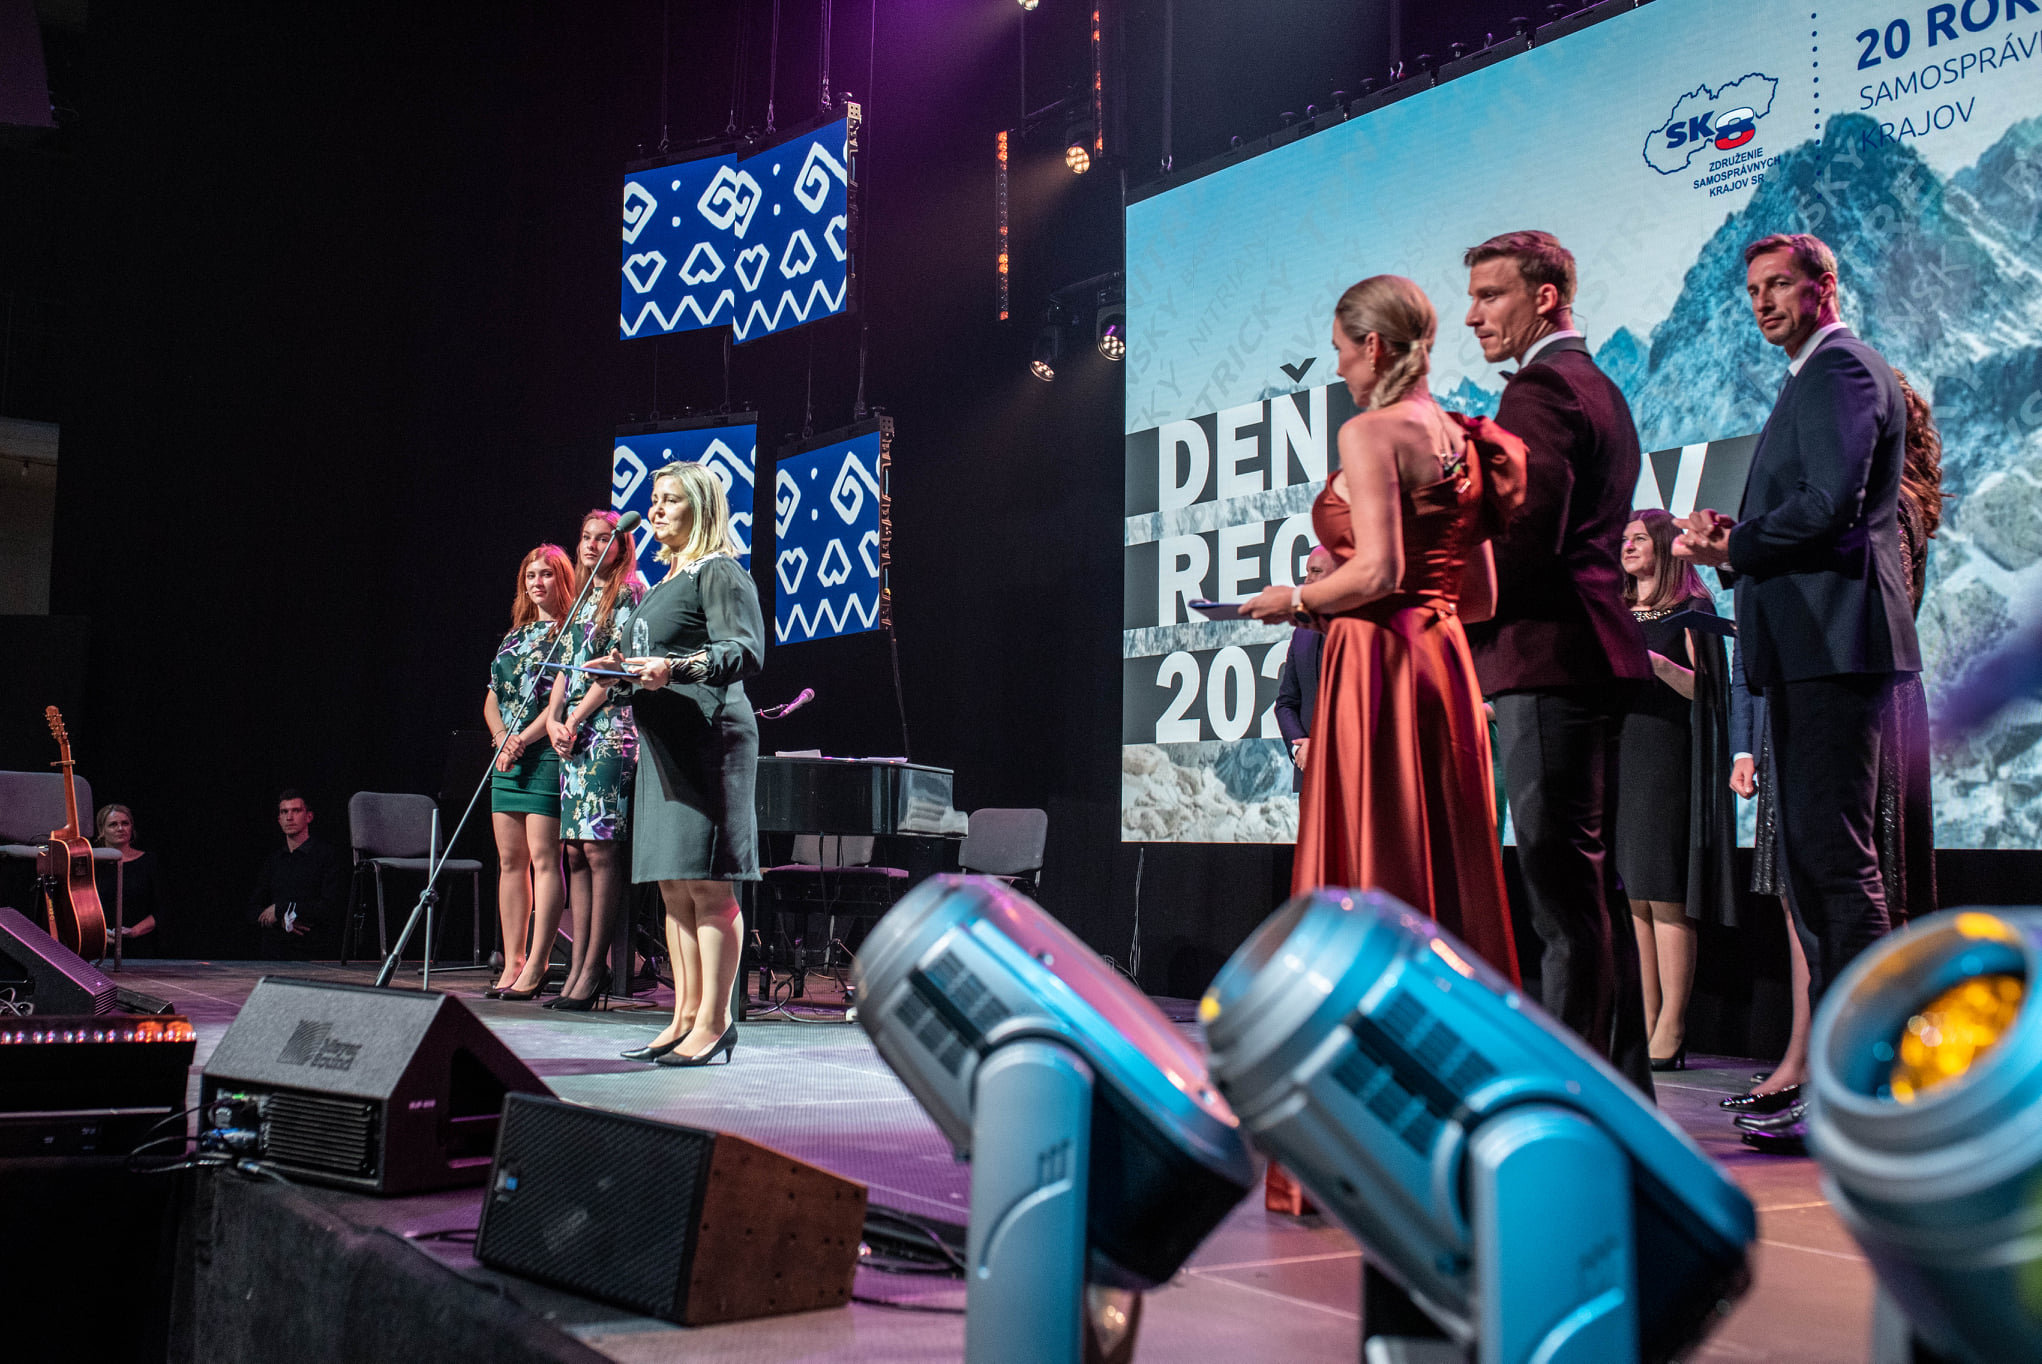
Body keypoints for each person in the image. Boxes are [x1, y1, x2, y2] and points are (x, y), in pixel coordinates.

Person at [1676, 232, 1921, 1149]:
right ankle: (1840, 1081)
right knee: (1819, 873)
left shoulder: (1841, 370)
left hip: (1835, 646)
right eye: (1752, 290)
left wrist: (1733, 546)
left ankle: (1868, 1088)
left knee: (1839, 870)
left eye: (1779, 284)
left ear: (1825, 287)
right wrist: (1734, 538)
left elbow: (1830, 507)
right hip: (1812, 647)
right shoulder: (1808, 377)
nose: (1762, 303)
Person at [1243, 274, 1522, 979]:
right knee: (1443, 847)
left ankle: (1366, 1007)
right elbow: (1481, 597)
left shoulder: (1370, 431)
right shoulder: (1463, 439)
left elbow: (1378, 571)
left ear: (1372, 345)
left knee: (1379, 846)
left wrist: (1295, 601)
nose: (1338, 367)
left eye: (1341, 349)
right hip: (1443, 662)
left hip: (1377, 661)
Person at [1720, 366, 1941, 1141]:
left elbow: (1875, 604)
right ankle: (1808, 1061)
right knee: (1807, 889)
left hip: (1855, 691)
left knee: (1855, 883)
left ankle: (1863, 1075)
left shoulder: (1888, 510)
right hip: (1811, 681)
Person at [1460, 229, 1656, 1092]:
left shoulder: (1539, 388)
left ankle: (1576, 1102)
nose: (1473, 317)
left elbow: (1520, 539)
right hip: (1589, 654)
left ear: (1544, 297)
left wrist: (1446, 610)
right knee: (1591, 898)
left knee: (1564, 906)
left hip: (1547, 657)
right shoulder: (1599, 385)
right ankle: (1622, 1092)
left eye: (1490, 296)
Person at [601, 462, 765, 1066]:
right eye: (655, 498)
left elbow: (743, 649)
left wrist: (676, 668)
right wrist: (618, 672)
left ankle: (716, 1022)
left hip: (707, 737)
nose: (657, 509)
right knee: (674, 885)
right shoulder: (665, 583)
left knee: (708, 883)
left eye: (671, 500)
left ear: (702, 508)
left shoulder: (717, 570)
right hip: (664, 743)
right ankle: (684, 1017)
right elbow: (651, 661)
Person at [1614, 510, 1734, 1072]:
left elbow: (1710, 693)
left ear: (1664, 546)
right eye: (1624, 539)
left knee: (1664, 893)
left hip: (1665, 758)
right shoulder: (1615, 612)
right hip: (1618, 755)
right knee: (1633, 896)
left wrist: (1658, 666)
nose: (1627, 546)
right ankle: (1645, 1018)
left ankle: (1673, 1025)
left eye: (1639, 538)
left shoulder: (1693, 610)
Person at [542, 510, 647, 1010]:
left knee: (600, 849)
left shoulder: (629, 594)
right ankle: (578, 968)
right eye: (586, 537)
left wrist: (576, 718)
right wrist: (554, 720)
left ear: (621, 546)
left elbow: (616, 670)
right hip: (574, 736)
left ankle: (593, 970)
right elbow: (564, 670)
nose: (590, 545)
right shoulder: (581, 597)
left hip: (609, 732)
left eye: (603, 539)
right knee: (574, 852)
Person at [486, 544, 574, 1000]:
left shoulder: (570, 632)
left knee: (544, 859)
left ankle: (538, 963)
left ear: (563, 578)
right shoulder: (514, 636)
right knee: (509, 862)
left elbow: (561, 700)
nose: (537, 582)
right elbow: (492, 698)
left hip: (544, 755)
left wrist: (523, 739)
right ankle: (513, 960)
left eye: (546, 574)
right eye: (530, 576)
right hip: (507, 758)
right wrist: (503, 737)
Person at [249, 790, 346, 959]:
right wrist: (282, 920)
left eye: (296, 810)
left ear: (309, 816)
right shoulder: (274, 860)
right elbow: (253, 909)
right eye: (284, 812)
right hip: (274, 954)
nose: (289, 817)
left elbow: (331, 907)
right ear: (279, 819)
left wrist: (282, 909)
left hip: (314, 952)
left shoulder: (326, 856)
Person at [1271, 546, 1333, 793]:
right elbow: (1286, 703)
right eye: (1307, 572)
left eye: (1315, 571)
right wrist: (1300, 748)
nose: (1307, 580)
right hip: (1310, 780)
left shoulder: (1361, 630)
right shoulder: (1301, 633)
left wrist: (1321, 749)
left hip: (1358, 777)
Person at [94, 804, 165, 957]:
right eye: (113, 824)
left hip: (141, 948)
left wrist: (134, 931)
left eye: (125, 823)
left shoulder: (149, 862)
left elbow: (161, 909)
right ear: (102, 831)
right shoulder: (92, 864)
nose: (120, 828)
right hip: (99, 946)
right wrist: (97, 933)